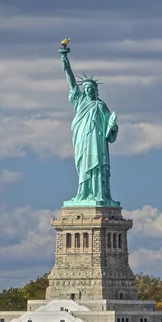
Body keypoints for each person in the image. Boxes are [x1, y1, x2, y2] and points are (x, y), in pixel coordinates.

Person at [61, 52, 119, 206]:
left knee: (98, 165)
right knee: (84, 165)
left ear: (95, 90)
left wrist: (112, 126)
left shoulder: (100, 105)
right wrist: (65, 63)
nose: (87, 90)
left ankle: (100, 194)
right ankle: (84, 193)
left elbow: (109, 128)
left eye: (90, 88)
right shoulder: (79, 101)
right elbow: (72, 83)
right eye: (85, 88)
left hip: (97, 140)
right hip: (82, 139)